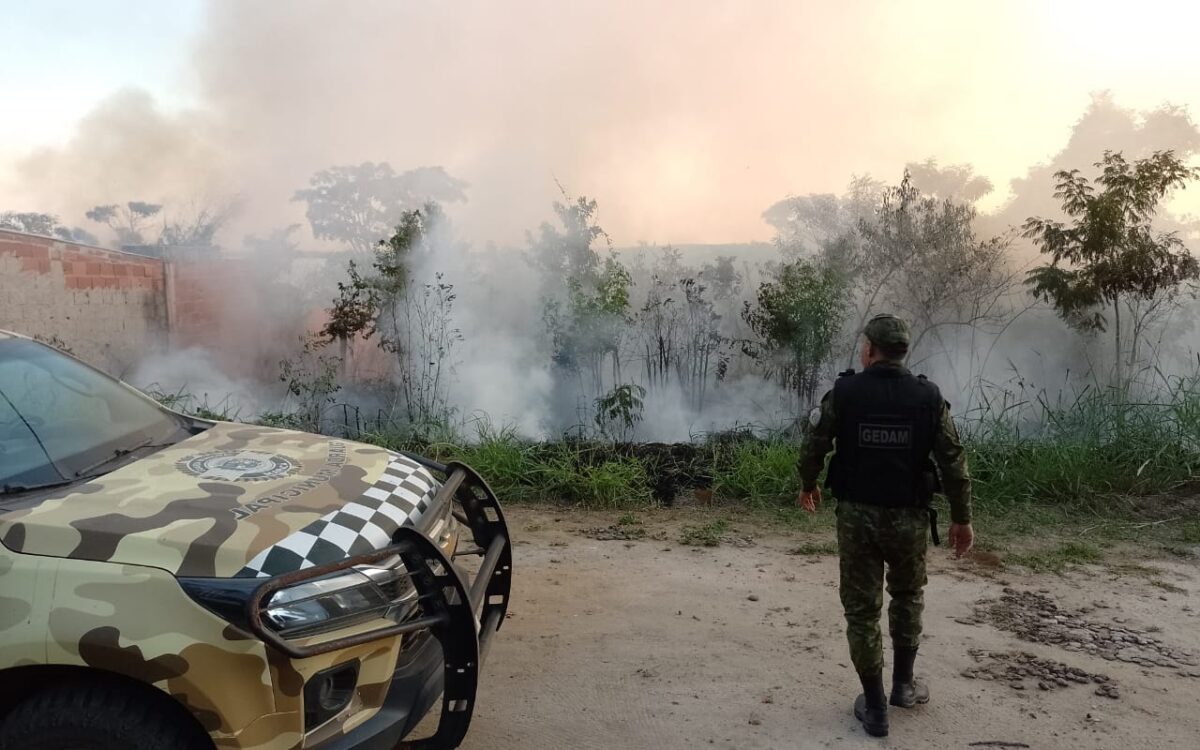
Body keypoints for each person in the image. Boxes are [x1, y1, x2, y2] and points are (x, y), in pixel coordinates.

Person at [796, 314, 974, 738]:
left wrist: (808, 484)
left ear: (871, 349)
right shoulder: (928, 396)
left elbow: (814, 444)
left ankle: (875, 708)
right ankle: (904, 686)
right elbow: (953, 461)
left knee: (861, 611)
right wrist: (962, 518)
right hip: (909, 518)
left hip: (857, 518)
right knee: (908, 595)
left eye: (864, 345)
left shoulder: (845, 392)